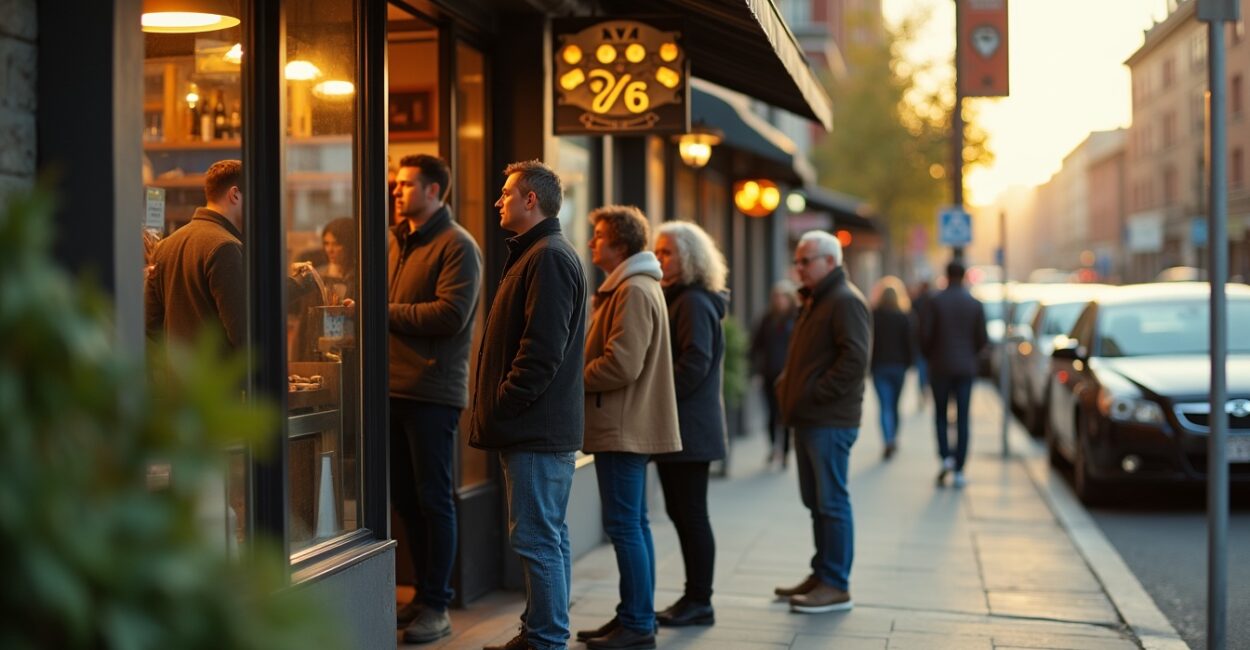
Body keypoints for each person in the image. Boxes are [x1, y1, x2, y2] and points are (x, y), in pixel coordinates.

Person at [473, 160, 587, 650]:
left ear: (530, 200)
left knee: (538, 540)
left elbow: (541, 351)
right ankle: (541, 630)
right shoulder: (535, 253)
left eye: (505, 193)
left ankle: (546, 639)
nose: (498, 201)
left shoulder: (548, 257)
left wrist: (503, 404)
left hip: (535, 430)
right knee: (546, 537)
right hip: (533, 428)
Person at [576, 206, 681, 650]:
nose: (591, 243)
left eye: (599, 236)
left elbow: (622, 363)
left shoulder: (634, 289)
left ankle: (637, 624)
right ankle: (633, 617)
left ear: (620, 243)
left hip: (623, 425)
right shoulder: (634, 285)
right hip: (625, 423)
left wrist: (572, 379)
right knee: (632, 525)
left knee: (626, 527)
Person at [388, 154, 483, 644]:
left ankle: (438, 604)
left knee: (434, 499)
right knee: (405, 498)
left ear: (433, 191)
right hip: (389, 388)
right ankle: (422, 595)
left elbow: (450, 315)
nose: (397, 191)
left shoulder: (458, 245)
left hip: (432, 391)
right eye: (397, 184)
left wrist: (381, 312)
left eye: (406, 185)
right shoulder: (394, 239)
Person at [773, 230, 870, 614]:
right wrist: (789, 388)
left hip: (829, 419)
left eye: (805, 260)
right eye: (796, 260)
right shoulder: (816, 300)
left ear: (830, 261)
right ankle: (821, 573)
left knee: (831, 501)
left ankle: (835, 583)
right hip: (810, 417)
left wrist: (814, 393)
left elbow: (854, 361)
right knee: (815, 501)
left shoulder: (845, 301)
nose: (798, 267)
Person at [651, 221, 728, 628]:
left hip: (690, 429)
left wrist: (657, 400)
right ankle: (693, 597)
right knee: (682, 513)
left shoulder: (694, 301)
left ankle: (701, 601)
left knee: (692, 514)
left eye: (667, 253)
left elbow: (694, 362)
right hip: (681, 426)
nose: (659, 259)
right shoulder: (678, 297)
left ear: (691, 258)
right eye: (657, 251)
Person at [145, 159, 245, 350]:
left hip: (176, 377)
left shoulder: (165, 246)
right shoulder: (226, 247)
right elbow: (242, 335)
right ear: (234, 195)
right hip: (218, 379)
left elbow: (151, 325)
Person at [918, 260, 988, 488]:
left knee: (939, 414)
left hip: (939, 367)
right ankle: (959, 468)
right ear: (964, 275)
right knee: (963, 417)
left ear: (946, 275)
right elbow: (982, 340)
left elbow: (925, 336)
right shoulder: (974, 304)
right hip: (965, 368)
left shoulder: (935, 301)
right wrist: (969, 355)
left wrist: (931, 357)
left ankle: (945, 456)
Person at [750, 280, 799, 468]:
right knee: (770, 414)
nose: (779, 301)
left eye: (782, 297)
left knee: (785, 415)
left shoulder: (795, 319)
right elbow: (756, 345)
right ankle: (773, 448)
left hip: (789, 376)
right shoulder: (766, 319)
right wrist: (754, 369)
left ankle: (785, 451)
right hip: (769, 374)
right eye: (776, 297)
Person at [870, 276, 914, 460]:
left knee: (885, 406)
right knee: (894, 405)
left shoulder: (874, 316)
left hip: (880, 366)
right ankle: (893, 437)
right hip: (898, 367)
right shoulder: (904, 317)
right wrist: (910, 363)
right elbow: (910, 343)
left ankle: (888, 439)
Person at [318, 217, 355, 304]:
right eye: (326, 243)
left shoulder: (360, 276)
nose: (329, 250)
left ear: (348, 245)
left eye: (336, 244)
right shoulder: (319, 275)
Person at [910, 278, 933, 412]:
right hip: (929, 343)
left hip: (919, 342)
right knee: (926, 369)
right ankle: (925, 390)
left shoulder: (916, 302)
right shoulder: (933, 301)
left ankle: (922, 391)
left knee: (921, 369)